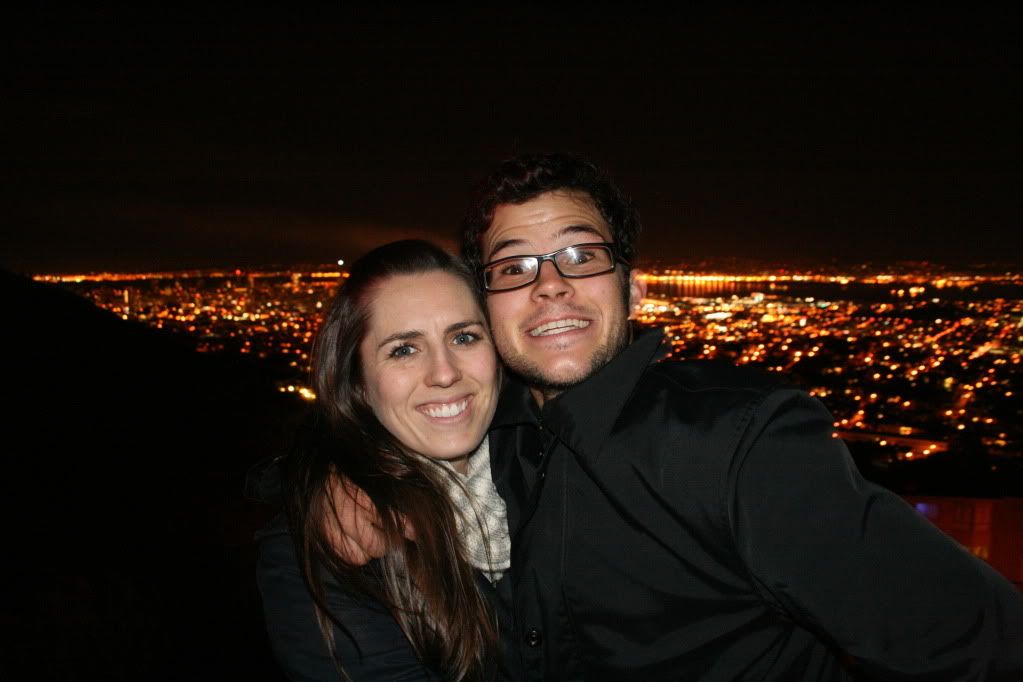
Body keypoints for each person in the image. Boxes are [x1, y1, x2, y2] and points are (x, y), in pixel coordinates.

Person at [333, 153, 1023, 680]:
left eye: (581, 255)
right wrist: (339, 480)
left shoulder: (738, 447)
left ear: (632, 287)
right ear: (487, 304)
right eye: (514, 268)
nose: (549, 284)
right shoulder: (482, 432)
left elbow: (978, 642)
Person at [256, 240, 518, 681]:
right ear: (358, 382)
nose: (444, 372)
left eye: (464, 337)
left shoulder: (544, 473)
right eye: (403, 349)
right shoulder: (323, 552)